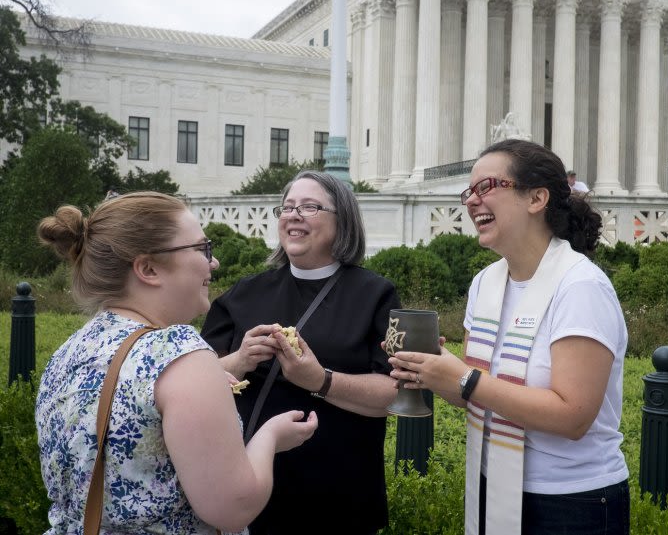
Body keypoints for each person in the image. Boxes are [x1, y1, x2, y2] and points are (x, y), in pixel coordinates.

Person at [35, 192, 318, 535]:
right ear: (148, 268)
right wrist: (270, 437)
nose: (212, 263)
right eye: (202, 249)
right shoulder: (179, 353)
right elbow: (233, 508)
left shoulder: (70, 351)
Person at [389, 139, 630, 535]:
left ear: (536, 198)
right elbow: (477, 396)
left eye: (487, 187)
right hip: (494, 485)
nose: (471, 201)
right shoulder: (486, 283)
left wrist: (465, 378)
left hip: (571, 503)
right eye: (469, 191)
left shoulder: (580, 286)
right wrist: (427, 369)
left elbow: (573, 416)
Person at [201, 171, 401, 535]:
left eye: (310, 207)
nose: (294, 215)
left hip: (340, 496)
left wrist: (320, 380)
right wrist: (241, 360)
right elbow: (197, 380)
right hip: (252, 491)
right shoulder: (246, 292)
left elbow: (393, 395)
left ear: (342, 221)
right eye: (288, 207)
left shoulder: (374, 295)